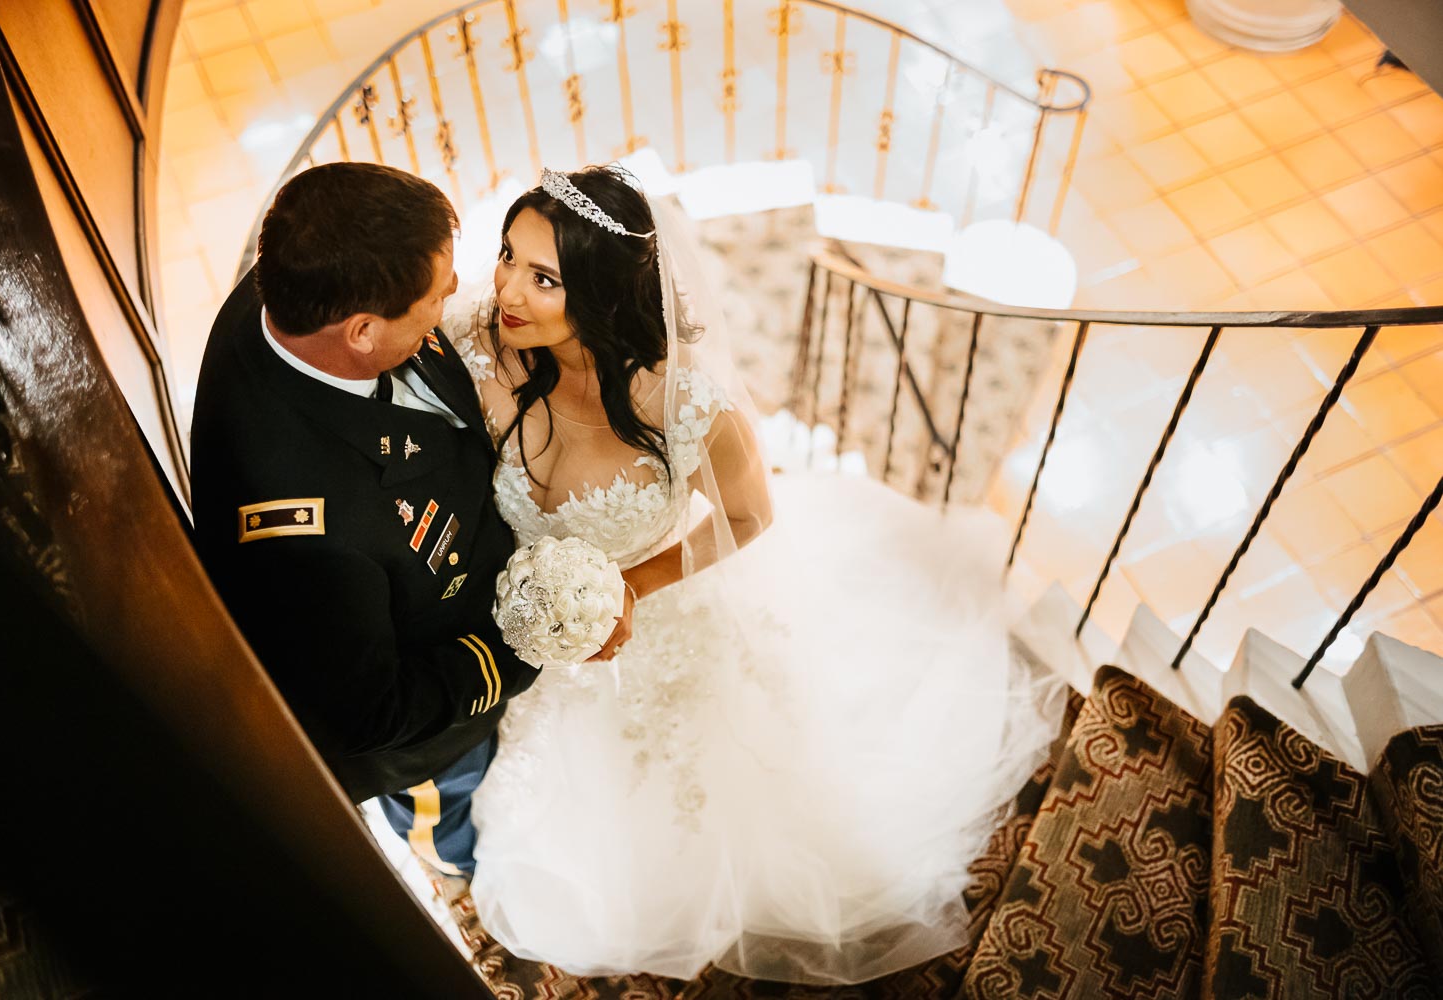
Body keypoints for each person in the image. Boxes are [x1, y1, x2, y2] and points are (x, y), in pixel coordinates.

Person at [442, 164, 1067, 985]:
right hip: (548, 650)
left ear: (598, 292)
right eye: (508, 257)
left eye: (544, 277)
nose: (507, 289)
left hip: (654, 630)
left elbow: (749, 518)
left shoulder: (688, 406)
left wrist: (633, 586)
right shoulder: (483, 347)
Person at [190, 162, 542, 879]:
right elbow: (367, 711)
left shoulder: (292, 292)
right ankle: (456, 871)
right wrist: (516, 654)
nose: (456, 291)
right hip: (434, 731)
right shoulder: (310, 538)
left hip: (459, 583)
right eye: (434, 294)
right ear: (361, 331)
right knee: (452, 818)